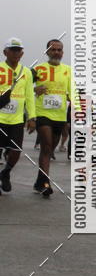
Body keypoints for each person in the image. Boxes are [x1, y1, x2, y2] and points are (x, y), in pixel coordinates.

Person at [33, 39, 72, 197]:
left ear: (62, 52)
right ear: (47, 51)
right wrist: (35, 88)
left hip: (60, 115)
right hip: (43, 113)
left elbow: (72, 92)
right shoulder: (38, 69)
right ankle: (45, 183)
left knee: (48, 151)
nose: (56, 52)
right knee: (47, 146)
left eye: (59, 50)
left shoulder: (68, 70)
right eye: (53, 49)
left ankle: (39, 181)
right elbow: (26, 86)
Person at [0, 38, 36, 196]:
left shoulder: (26, 72)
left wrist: (32, 117)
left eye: (18, 50)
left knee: (16, 151)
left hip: (16, 120)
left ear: (22, 53)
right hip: (0, 118)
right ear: (5, 52)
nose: (15, 53)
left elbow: (29, 96)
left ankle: (6, 172)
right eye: (12, 50)